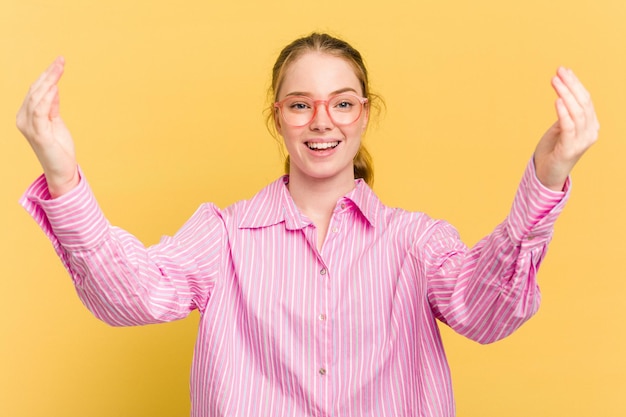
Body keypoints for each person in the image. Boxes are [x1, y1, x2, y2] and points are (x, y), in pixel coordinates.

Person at [17, 33, 599, 416]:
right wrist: (63, 175)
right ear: (279, 117)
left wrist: (546, 179)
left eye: (342, 103)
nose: (322, 121)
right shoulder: (223, 236)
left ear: (364, 112)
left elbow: (489, 313)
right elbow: (130, 295)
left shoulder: (415, 242)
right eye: (300, 104)